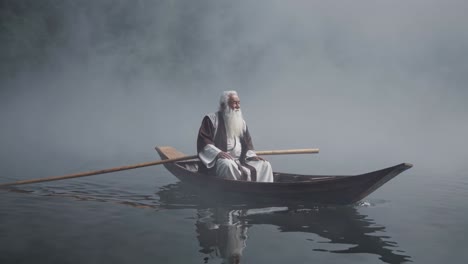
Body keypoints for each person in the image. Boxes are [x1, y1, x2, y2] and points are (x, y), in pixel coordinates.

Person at [197, 91, 274, 182]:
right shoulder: (211, 119)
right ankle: (236, 189)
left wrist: (252, 155)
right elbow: (204, 141)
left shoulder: (241, 122)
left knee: (265, 164)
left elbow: (248, 143)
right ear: (223, 105)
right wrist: (217, 153)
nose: (238, 106)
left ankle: (262, 188)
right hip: (219, 161)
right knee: (227, 165)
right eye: (234, 103)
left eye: (239, 103)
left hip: (240, 161)